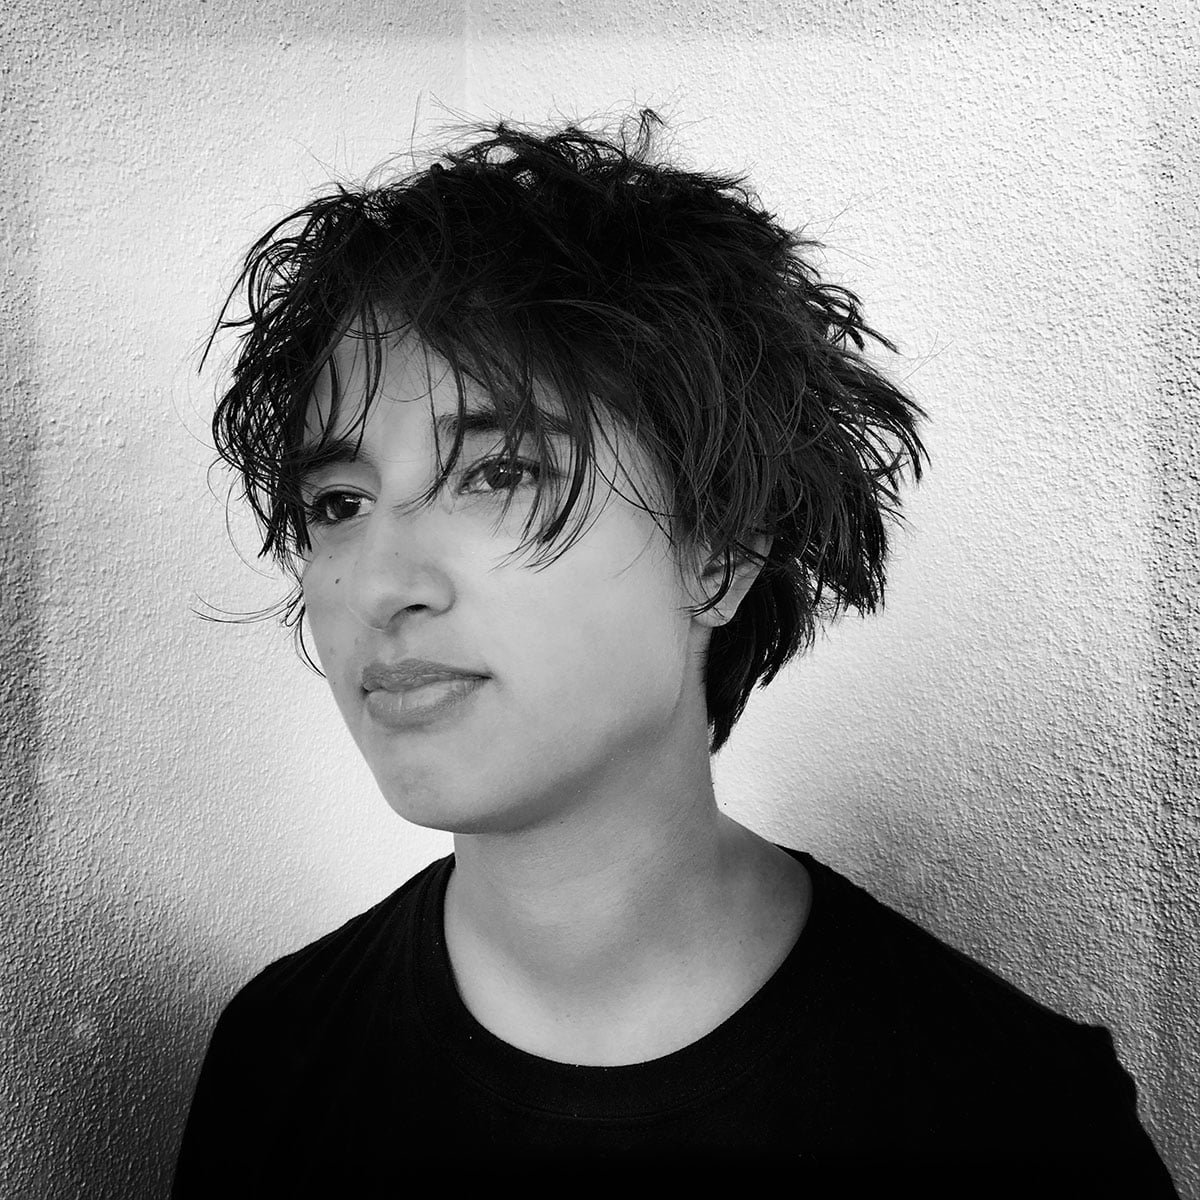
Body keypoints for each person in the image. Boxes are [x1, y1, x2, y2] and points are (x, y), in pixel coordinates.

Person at [173, 109, 1177, 1194]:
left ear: (720, 551)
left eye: (500, 474)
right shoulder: (278, 1059)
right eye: (338, 503)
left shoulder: (1011, 1116)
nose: (379, 583)